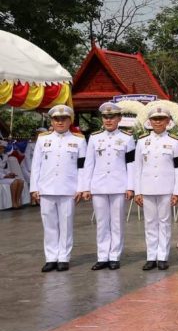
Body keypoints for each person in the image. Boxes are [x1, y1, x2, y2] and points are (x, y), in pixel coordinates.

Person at [30, 105, 86, 272]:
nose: (60, 122)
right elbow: (36, 165)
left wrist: (81, 188)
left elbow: (82, 167)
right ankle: (51, 258)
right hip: (46, 188)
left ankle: (63, 258)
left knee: (66, 224)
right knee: (49, 225)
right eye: (56, 119)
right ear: (52, 121)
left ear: (70, 121)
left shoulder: (79, 140)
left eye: (64, 119)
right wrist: (34, 188)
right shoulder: (42, 139)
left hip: (68, 189)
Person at [81, 102, 136, 270]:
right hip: (98, 186)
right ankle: (102, 256)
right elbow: (88, 164)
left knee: (117, 223)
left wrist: (130, 187)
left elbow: (131, 164)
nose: (108, 120)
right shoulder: (94, 137)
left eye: (112, 117)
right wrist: (86, 187)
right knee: (102, 223)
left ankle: (114, 256)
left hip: (119, 185)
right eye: (105, 117)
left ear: (119, 118)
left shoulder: (127, 138)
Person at [133, 105, 178, 271]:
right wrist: (137, 191)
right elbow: (137, 168)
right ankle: (151, 257)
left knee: (164, 223)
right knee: (149, 223)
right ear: (150, 121)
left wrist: (177, 191)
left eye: (161, 119)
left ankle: (162, 256)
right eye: (155, 119)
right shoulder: (142, 142)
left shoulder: (175, 142)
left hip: (166, 188)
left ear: (168, 121)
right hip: (147, 188)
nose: (158, 122)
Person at [1, 140, 27, 209]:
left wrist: (10, 173)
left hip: (4, 176)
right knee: (15, 182)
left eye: (3, 148)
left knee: (20, 181)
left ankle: (17, 201)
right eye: (1, 148)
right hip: (1, 177)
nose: (2, 149)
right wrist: (4, 176)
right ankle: (13, 203)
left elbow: (5, 168)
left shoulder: (4, 156)